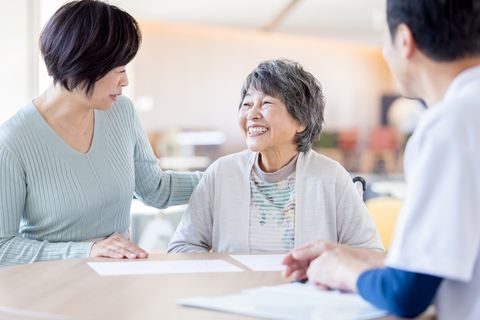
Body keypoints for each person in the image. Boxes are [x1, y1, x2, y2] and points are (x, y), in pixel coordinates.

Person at [282, 1, 480, 319]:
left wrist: (340, 271)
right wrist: (354, 259)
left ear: (403, 39)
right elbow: (446, 264)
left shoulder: (450, 124)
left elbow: (405, 295)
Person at [0, 0, 202, 268]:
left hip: (117, 283)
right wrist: (87, 250)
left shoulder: (121, 112)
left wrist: (232, 174)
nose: (125, 81)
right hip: (49, 288)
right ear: (83, 64)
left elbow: (155, 189)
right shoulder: (13, 142)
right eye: (119, 70)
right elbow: (4, 247)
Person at [167, 59, 384, 254]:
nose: (252, 114)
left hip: (305, 296)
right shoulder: (222, 172)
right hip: (235, 295)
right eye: (247, 104)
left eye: (266, 103)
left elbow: (370, 252)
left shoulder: (331, 177)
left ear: (301, 121)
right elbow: (183, 246)